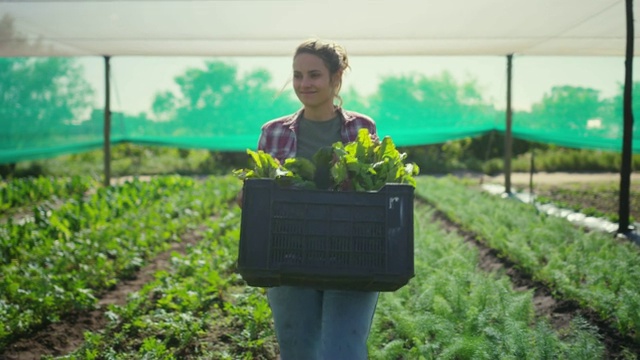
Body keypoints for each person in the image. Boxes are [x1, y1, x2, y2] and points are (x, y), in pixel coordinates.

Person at [249, 38, 381, 360]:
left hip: (352, 254)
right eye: (297, 75)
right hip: (289, 253)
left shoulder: (362, 127)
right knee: (298, 350)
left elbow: (376, 189)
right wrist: (251, 193)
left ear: (336, 78)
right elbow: (260, 187)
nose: (304, 84)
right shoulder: (273, 131)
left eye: (314, 75)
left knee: (343, 351)